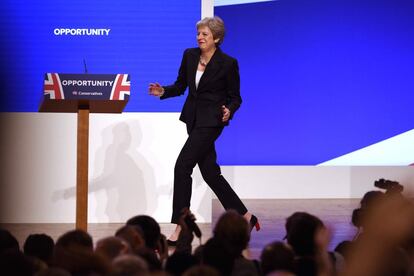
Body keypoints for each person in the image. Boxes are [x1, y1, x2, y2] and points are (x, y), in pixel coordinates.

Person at [149, 16, 259, 244]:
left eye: (205, 34)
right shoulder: (190, 55)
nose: (199, 37)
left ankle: (181, 227)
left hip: (211, 122)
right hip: (193, 119)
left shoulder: (228, 63)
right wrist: (163, 92)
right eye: (198, 33)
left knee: (182, 166)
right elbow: (181, 86)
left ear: (216, 38)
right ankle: (246, 216)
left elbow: (235, 97)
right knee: (210, 173)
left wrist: (229, 110)